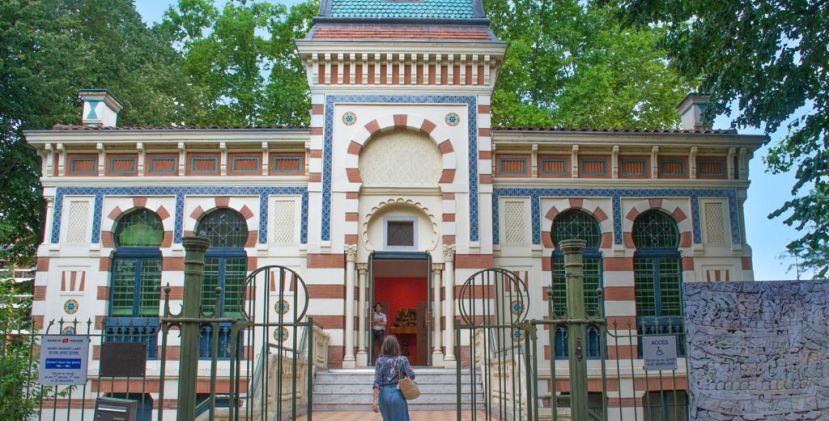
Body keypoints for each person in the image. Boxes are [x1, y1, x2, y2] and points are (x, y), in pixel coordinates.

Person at [372, 335, 415, 420]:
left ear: (384, 347)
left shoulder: (379, 361)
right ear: (396, 346)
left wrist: (374, 402)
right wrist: (403, 380)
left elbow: (377, 383)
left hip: (384, 395)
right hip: (398, 393)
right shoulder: (402, 359)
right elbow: (412, 375)